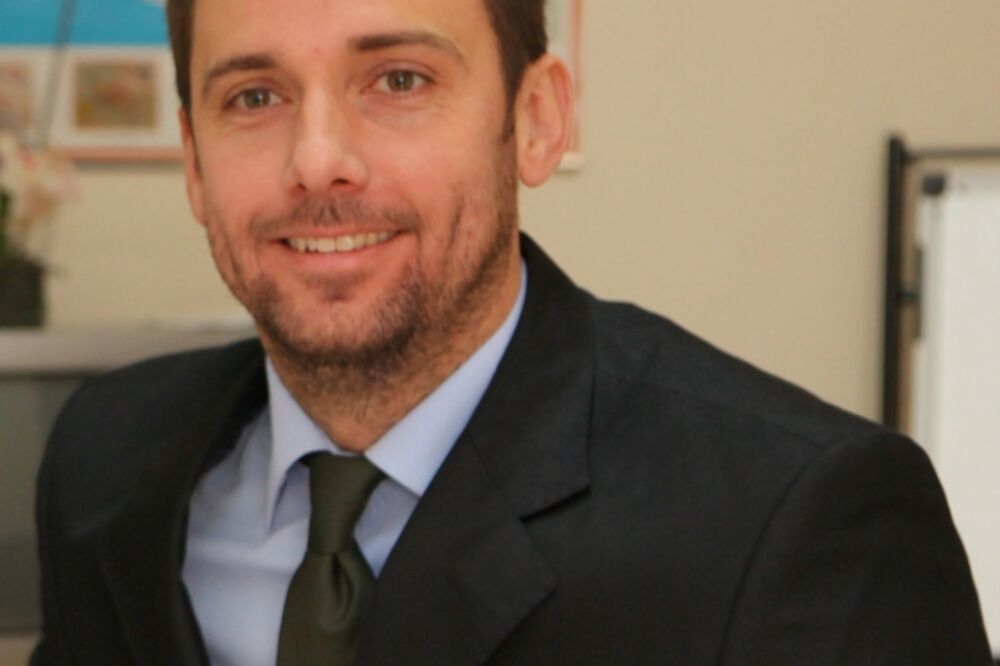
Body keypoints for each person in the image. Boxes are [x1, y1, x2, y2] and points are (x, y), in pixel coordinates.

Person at [33, 0, 993, 664]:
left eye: (397, 79)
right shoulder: (106, 469)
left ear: (536, 121)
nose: (317, 161)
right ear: (193, 162)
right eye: (254, 96)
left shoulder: (798, 522)